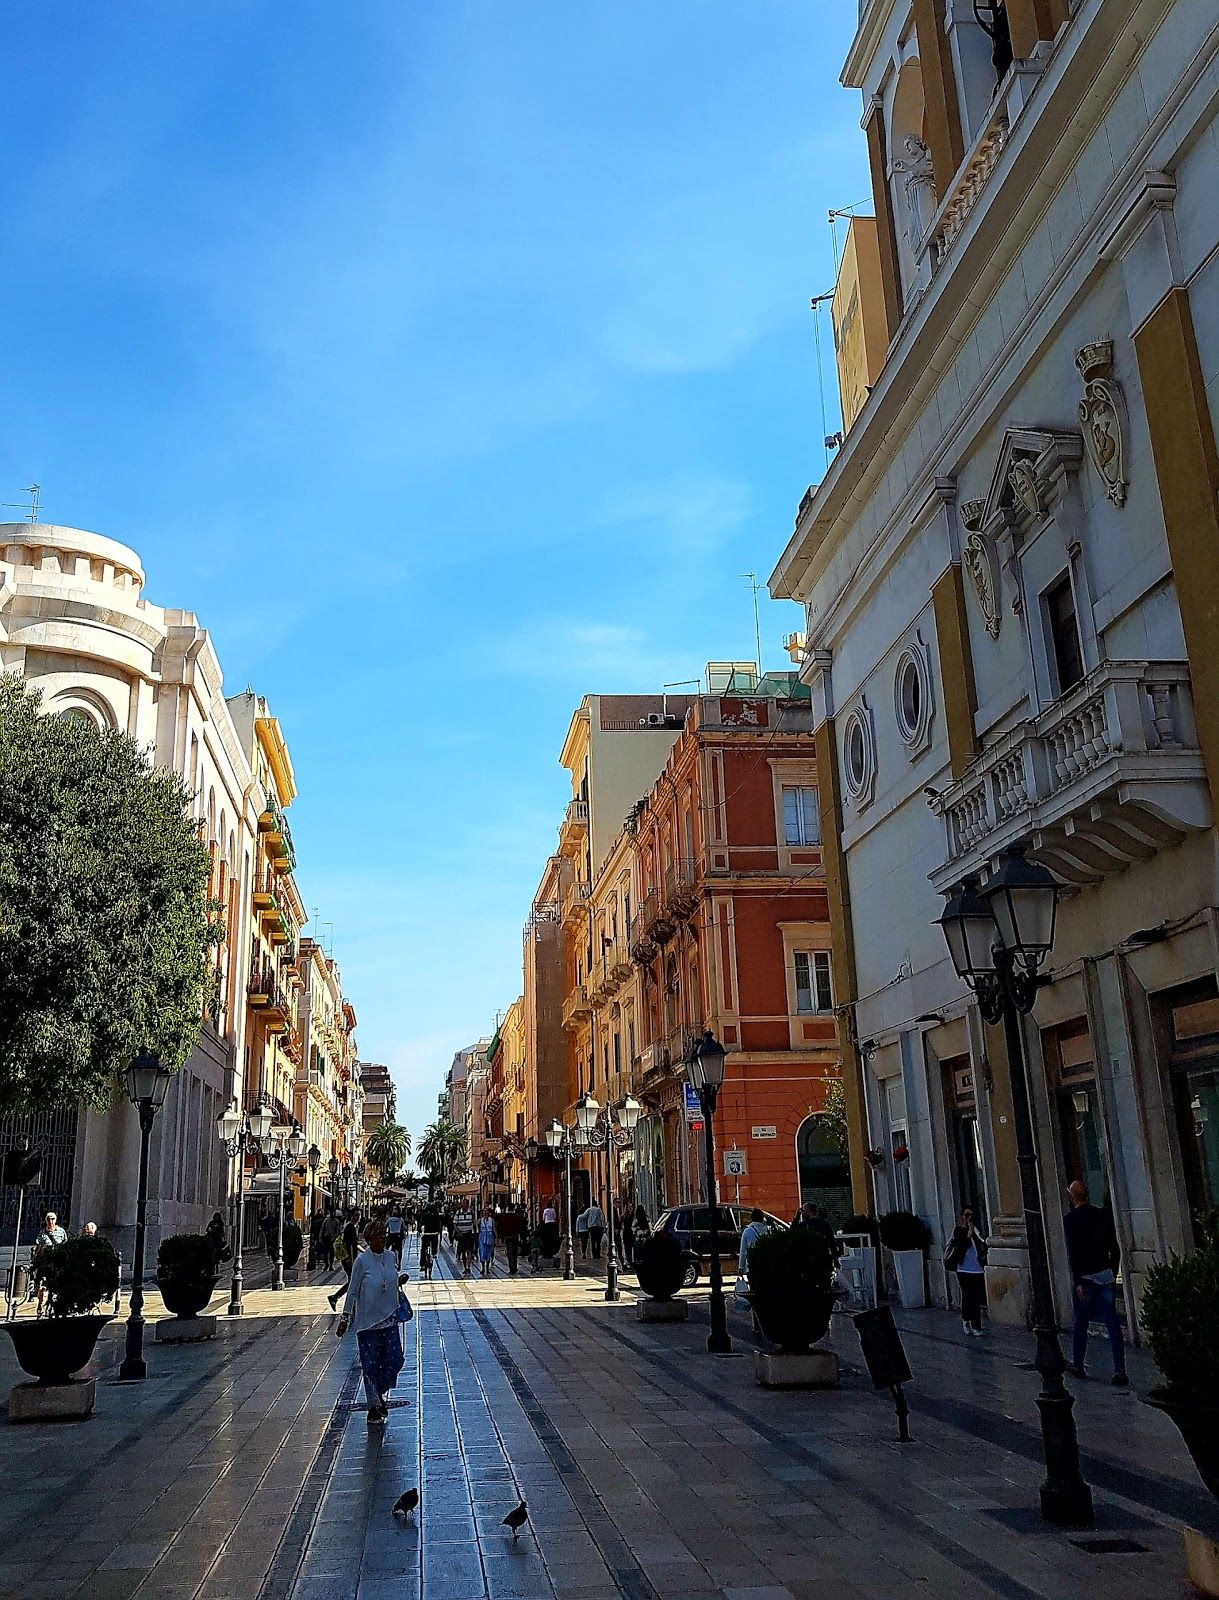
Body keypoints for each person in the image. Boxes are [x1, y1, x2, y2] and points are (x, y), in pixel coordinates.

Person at [335, 1218, 407, 1424]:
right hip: (367, 1323)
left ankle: (380, 1393)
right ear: (368, 1238)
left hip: (389, 1319)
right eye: (378, 1235)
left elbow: (388, 1278)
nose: (382, 1238)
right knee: (371, 1365)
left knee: (395, 1359)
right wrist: (345, 1317)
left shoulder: (391, 1256)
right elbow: (352, 1291)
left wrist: (398, 1280)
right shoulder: (362, 1261)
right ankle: (374, 1405)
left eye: (384, 1234)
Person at [1063, 1180, 1127, 1386]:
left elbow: (1074, 1252)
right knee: (1113, 1325)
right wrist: (1112, 1270)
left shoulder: (1071, 1220)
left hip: (1087, 1278)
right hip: (1105, 1274)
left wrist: (1078, 1281)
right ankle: (1119, 1369)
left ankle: (1078, 1365)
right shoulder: (1103, 1215)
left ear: (1071, 1197)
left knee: (1081, 1322)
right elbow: (1114, 1248)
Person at [946, 1208, 988, 1337]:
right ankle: (966, 1321)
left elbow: (982, 1244)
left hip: (977, 1269)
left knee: (976, 1297)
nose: (969, 1218)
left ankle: (976, 1325)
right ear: (962, 1216)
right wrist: (968, 1234)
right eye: (966, 1215)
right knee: (967, 1295)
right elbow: (961, 1246)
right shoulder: (958, 1231)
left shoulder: (976, 1230)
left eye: (971, 1215)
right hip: (963, 1269)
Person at [32, 1212, 67, 1316]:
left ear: (55, 1220)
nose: (50, 1221)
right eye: (48, 1219)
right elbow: (38, 1247)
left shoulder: (61, 1232)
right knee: (42, 1286)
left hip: (56, 1263)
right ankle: (40, 1304)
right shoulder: (42, 1234)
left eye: (52, 1219)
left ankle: (51, 1305)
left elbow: (65, 1245)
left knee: (54, 1287)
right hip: (45, 1263)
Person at [329, 1211, 361, 1311]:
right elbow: (349, 1245)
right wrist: (350, 1259)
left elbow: (355, 1244)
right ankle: (338, 1299)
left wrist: (366, 1252)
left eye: (359, 1215)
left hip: (349, 1258)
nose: (358, 1217)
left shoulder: (351, 1227)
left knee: (353, 1281)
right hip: (348, 1259)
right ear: (351, 1216)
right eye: (356, 1215)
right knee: (353, 1282)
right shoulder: (350, 1227)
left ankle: (337, 1298)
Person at [737, 1208, 768, 1278]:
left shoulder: (747, 1231)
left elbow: (743, 1251)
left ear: (751, 1218)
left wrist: (741, 1267)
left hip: (751, 1265)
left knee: (753, 1285)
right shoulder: (767, 1230)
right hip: (765, 1264)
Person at [497, 1206, 524, 1275]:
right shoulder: (517, 1217)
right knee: (515, 1253)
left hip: (507, 1237)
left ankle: (511, 1269)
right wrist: (521, 1237)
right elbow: (521, 1227)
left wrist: (502, 1238)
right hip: (515, 1236)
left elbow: (501, 1228)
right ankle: (515, 1267)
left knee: (510, 1253)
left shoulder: (504, 1217)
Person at [453, 1201, 475, 1276]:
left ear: (468, 1204)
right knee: (463, 1252)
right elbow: (455, 1224)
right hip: (461, 1234)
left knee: (469, 1250)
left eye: (465, 1203)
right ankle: (465, 1267)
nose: (464, 1205)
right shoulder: (458, 1212)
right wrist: (458, 1232)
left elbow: (474, 1222)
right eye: (463, 1203)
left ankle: (468, 1267)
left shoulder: (471, 1212)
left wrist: (474, 1232)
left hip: (469, 1233)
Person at [477, 1208, 496, 1278]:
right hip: (482, 1236)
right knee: (482, 1252)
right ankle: (482, 1267)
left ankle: (487, 1268)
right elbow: (476, 1227)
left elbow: (494, 1228)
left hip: (490, 1236)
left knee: (489, 1252)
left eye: (486, 1212)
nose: (485, 1214)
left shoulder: (492, 1220)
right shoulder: (480, 1220)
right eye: (484, 1212)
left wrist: (496, 1237)